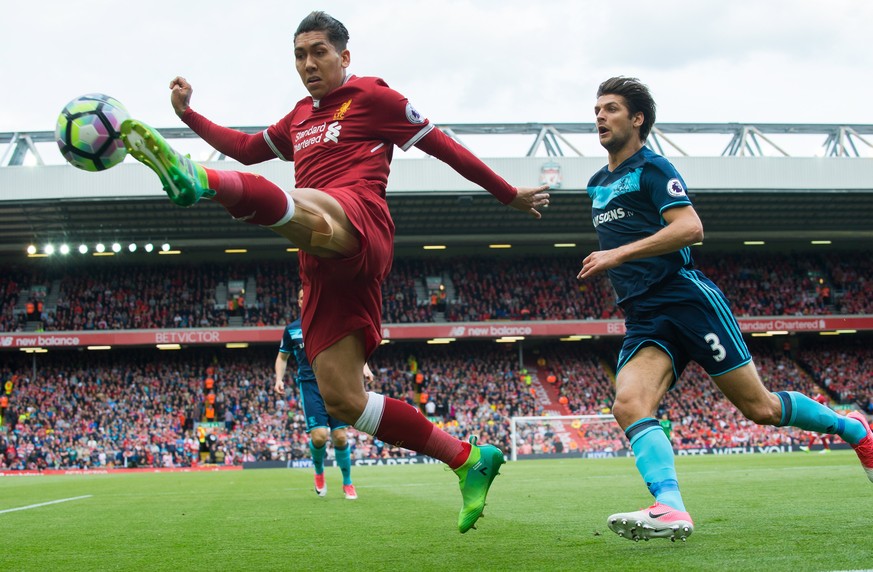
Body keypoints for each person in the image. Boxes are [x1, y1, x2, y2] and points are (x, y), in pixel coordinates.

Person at [120, 10, 550, 533]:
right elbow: (247, 148)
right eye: (300, 55)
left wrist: (509, 194)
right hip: (319, 264)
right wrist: (190, 115)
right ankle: (466, 459)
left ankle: (197, 178)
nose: (308, 63)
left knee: (305, 205)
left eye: (319, 51)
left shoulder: (375, 98)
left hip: (360, 218)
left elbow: (447, 148)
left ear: (344, 55)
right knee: (342, 400)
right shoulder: (299, 116)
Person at [577, 76, 873, 542]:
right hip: (643, 315)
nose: (599, 116)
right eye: (596, 109)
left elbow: (691, 228)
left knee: (761, 408)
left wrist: (618, 254)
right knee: (629, 404)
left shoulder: (654, 168)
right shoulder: (596, 184)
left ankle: (853, 429)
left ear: (637, 119)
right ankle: (670, 507)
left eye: (610, 108)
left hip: (686, 299)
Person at [275, 288, 373, 500]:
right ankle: (319, 471)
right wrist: (278, 379)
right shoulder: (292, 330)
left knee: (339, 436)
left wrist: (363, 367)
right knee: (320, 436)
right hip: (310, 385)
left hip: (335, 383)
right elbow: (282, 358)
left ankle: (347, 482)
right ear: (299, 302)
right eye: (301, 297)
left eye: (308, 296)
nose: (305, 300)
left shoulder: (332, 323)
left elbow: (353, 347)